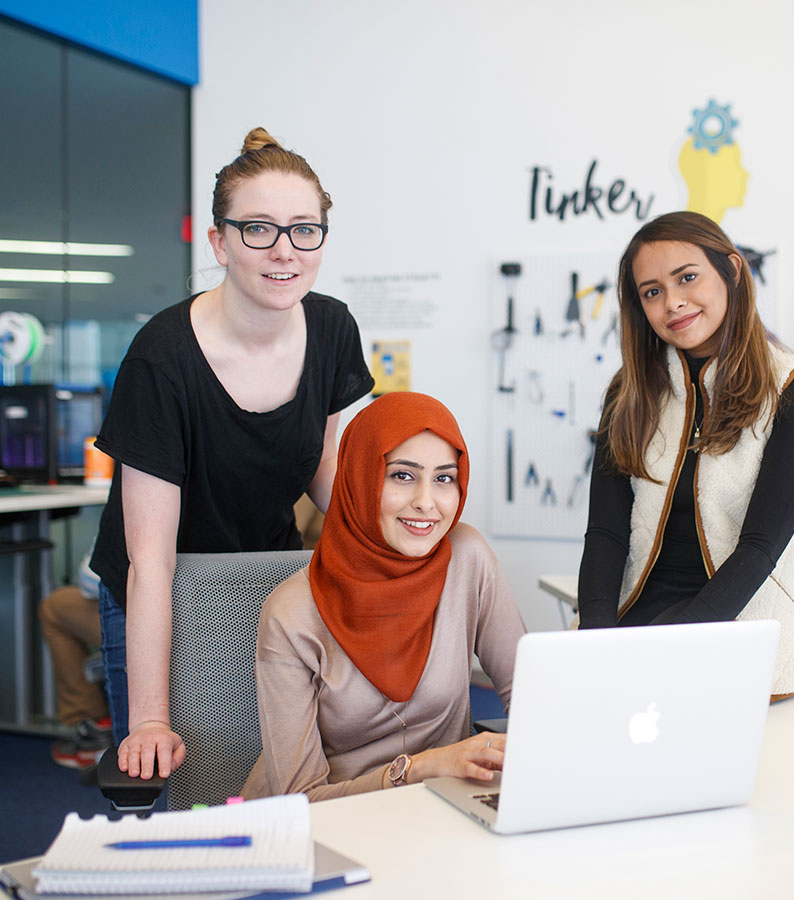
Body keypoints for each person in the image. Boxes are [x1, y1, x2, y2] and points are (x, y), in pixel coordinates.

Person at [89, 127, 374, 780]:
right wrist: (150, 718)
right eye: (258, 229)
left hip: (263, 570)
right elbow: (151, 562)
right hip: (160, 584)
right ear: (219, 242)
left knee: (264, 762)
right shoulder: (162, 360)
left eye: (305, 229)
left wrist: (377, 547)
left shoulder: (332, 329)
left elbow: (320, 467)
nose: (284, 251)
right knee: (175, 773)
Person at [577, 211, 794, 698]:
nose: (672, 302)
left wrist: (675, 647)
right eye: (651, 291)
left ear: (732, 272)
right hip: (638, 617)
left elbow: (759, 550)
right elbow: (606, 531)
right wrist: (593, 637)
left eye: (687, 278)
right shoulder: (628, 393)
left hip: (744, 621)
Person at [241, 392, 526, 800]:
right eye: (402, 475)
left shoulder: (467, 558)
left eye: (444, 478)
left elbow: (529, 692)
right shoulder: (292, 613)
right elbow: (299, 800)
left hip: (440, 812)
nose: (426, 502)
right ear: (361, 476)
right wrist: (417, 769)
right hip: (331, 827)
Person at [38, 551, 112, 769]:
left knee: (54, 606)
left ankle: (96, 727)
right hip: (208, 621)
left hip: (156, 621)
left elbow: (91, 580)